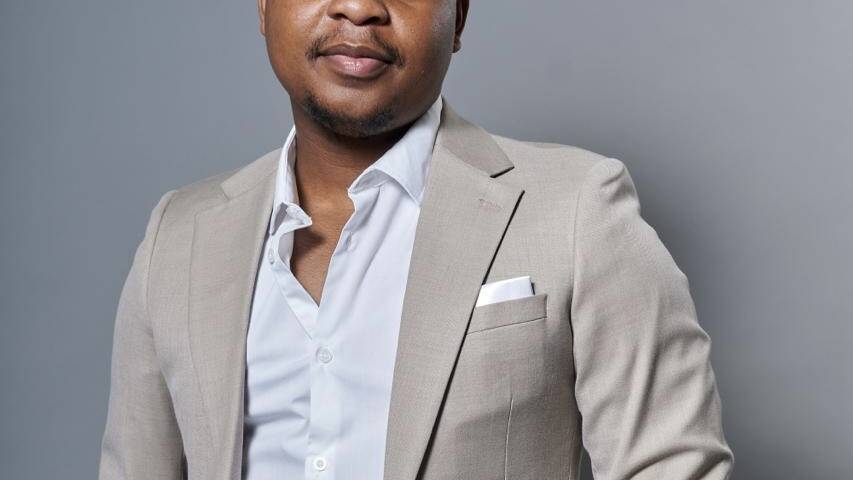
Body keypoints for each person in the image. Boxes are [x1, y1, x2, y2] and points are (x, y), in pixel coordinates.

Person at [98, 1, 734, 479]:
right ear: (264, 7)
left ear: (458, 18)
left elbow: (672, 467)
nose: (359, 8)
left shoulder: (577, 209)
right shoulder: (178, 235)